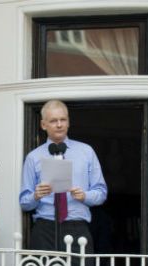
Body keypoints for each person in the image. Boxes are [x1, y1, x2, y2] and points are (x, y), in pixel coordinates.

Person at [19, 100, 107, 255]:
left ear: (68, 122)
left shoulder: (86, 152)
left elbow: (101, 193)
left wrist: (84, 196)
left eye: (63, 120)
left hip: (77, 227)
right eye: (53, 121)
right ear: (43, 125)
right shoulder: (33, 157)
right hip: (45, 228)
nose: (59, 124)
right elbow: (24, 203)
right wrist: (36, 195)